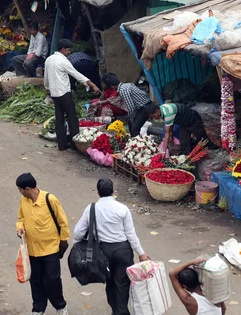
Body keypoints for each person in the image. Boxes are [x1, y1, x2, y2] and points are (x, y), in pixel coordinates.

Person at [73, 179, 150, 315]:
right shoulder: (122, 209)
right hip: (123, 251)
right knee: (122, 283)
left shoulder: (91, 209)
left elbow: (78, 232)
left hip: (103, 252)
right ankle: (120, 311)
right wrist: (141, 253)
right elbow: (130, 234)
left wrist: (77, 244)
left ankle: (116, 310)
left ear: (98, 192)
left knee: (109, 281)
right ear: (113, 190)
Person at [15, 173, 70, 315]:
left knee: (53, 280)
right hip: (32, 250)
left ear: (27, 189)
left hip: (50, 249)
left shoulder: (50, 199)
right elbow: (20, 217)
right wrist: (20, 227)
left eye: (20, 189)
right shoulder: (23, 200)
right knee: (36, 281)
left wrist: (63, 241)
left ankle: (60, 306)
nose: (19, 192)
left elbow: (62, 222)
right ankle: (38, 309)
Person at [44, 39, 101, 151]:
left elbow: (46, 77)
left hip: (55, 94)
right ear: (63, 49)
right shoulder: (63, 61)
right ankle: (75, 145)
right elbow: (77, 75)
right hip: (64, 93)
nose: (69, 53)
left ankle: (62, 145)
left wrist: (47, 89)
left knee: (59, 119)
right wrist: (93, 85)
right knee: (72, 118)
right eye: (68, 50)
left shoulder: (49, 60)